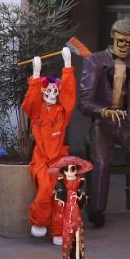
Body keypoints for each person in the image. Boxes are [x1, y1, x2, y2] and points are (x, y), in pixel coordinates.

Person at [78, 19, 130, 227]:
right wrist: (103, 111)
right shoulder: (95, 61)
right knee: (102, 162)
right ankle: (97, 211)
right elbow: (84, 103)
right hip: (102, 123)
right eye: (121, 41)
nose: (125, 47)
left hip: (123, 123)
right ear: (113, 37)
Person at [24, 50, 77, 244]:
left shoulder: (62, 112)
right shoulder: (37, 112)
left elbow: (69, 95)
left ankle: (58, 231)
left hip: (59, 159)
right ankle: (39, 221)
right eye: (49, 91)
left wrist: (68, 65)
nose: (53, 94)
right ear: (43, 92)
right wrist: (36, 75)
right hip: (41, 159)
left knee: (61, 194)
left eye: (55, 91)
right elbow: (29, 102)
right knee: (45, 188)